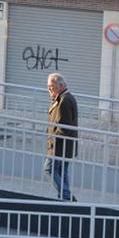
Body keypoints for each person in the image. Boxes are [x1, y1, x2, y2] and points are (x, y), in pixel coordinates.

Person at [45, 73, 78, 201]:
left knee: (49, 169)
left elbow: (64, 126)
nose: (49, 90)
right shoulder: (62, 98)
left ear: (61, 86)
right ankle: (65, 195)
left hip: (60, 145)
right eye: (48, 87)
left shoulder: (64, 100)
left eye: (51, 87)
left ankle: (66, 194)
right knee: (62, 171)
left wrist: (53, 140)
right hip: (64, 145)